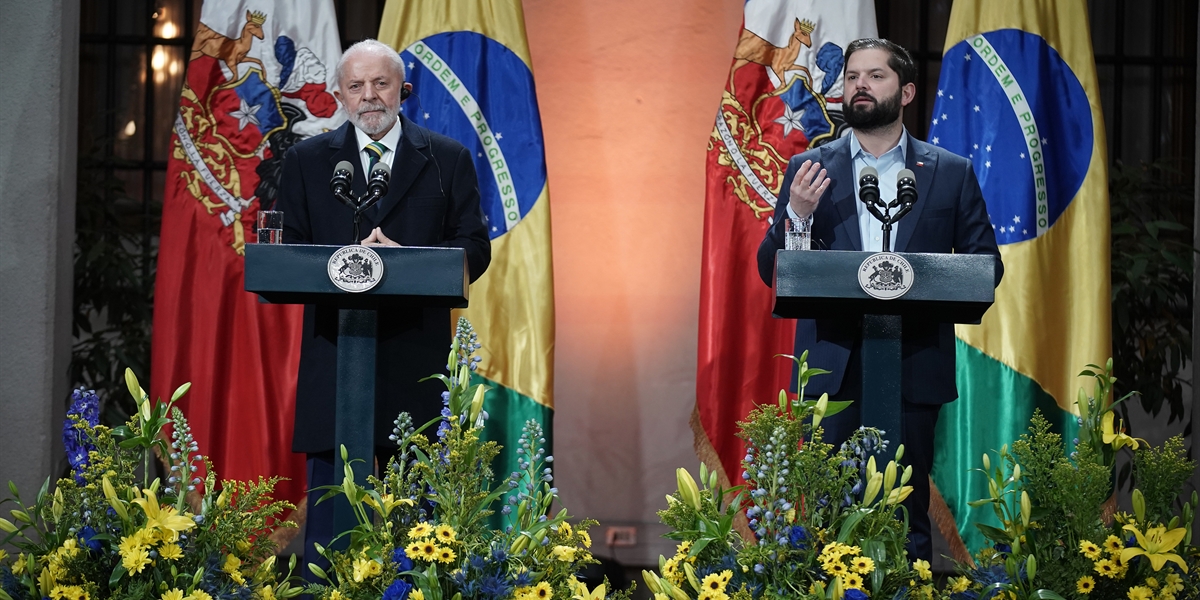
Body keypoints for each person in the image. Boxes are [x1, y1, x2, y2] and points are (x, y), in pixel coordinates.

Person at [756, 38, 1003, 561]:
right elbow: (770, 270)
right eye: (850, 78)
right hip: (833, 371)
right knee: (828, 513)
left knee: (904, 511)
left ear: (907, 91)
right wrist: (797, 216)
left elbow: (986, 266)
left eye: (875, 76)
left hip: (913, 365)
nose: (858, 86)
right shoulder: (808, 170)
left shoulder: (950, 172)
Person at [275, 39, 490, 576]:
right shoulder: (305, 162)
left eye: (381, 84)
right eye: (356, 86)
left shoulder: (446, 159)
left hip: (413, 356)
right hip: (336, 353)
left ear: (403, 90)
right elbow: (289, 251)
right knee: (330, 514)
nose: (369, 96)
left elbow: (475, 247)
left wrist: (410, 260)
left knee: (416, 518)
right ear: (340, 96)